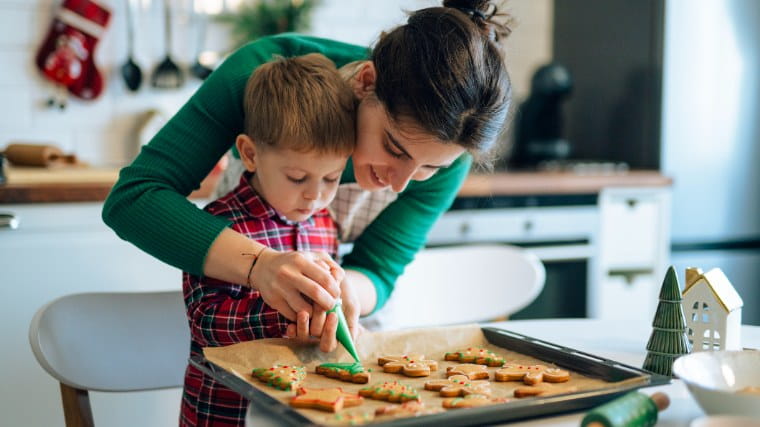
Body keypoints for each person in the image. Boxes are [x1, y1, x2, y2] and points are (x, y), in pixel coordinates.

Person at [103, 0, 513, 355]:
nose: (401, 183)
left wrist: (339, 292)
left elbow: (379, 269)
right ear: (365, 82)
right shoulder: (263, 77)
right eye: (394, 148)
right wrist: (259, 265)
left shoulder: (453, 146)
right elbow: (134, 199)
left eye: (428, 167)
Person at [181, 54, 355, 426]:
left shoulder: (325, 224)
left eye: (331, 178)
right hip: (225, 412)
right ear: (250, 154)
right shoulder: (218, 225)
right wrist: (282, 312)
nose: (315, 196)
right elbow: (204, 322)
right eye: (297, 177)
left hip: (294, 411)